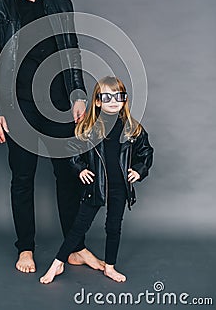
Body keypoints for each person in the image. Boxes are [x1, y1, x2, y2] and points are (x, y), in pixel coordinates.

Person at [0, 0, 104, 273]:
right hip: (18, 107)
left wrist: (78, 94)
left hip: (60, 107)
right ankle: (26, 249)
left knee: (69, 176)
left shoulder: (61, 3)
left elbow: (72, 50)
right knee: (23, 178)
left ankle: (74, 248)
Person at [40, 75, 154, 284]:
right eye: (107, 97)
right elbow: (72, 151)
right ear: (98, 101)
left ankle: (110, 267)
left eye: (118, 96)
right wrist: (80, 169)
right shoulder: (90, 128)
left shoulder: (132, 128)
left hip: (120, 188)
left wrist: (139, 170)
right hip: (96, 186)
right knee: (78, 227)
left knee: (113, 226)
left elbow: (146, 152)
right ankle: (57, 263)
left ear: (125, 99)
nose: (113, 101)